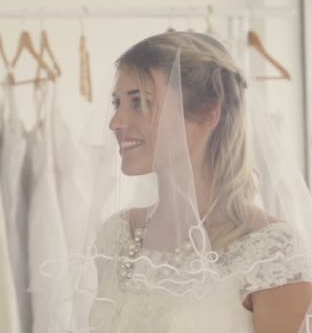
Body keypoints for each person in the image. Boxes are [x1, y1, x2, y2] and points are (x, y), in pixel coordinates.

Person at [70, 32, 312, 333]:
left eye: (140, 103)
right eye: (117, 103)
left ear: (209, 112)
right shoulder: (116, 235)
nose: (115, 122)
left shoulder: (268, 249)